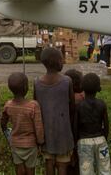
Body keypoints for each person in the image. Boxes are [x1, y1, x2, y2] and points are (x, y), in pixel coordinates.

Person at [34, 47, 75, 175]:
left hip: (46, 132)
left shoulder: (36, 83)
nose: (63, 61)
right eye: (62, 59)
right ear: (57, 62)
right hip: (63, 131)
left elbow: (36, 106)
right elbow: (72, 106)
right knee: (62, 165)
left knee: (49, 163)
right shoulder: (67, 81)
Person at [1, 72, 44, 175]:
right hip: (31, 144)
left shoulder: (8, 105)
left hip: (15, 143)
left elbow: (3, 122)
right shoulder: (33, 106)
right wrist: (40, 141)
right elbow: (38, 127)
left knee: (19, 169)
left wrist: (6, 132)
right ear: (26, 88)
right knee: (30, 170)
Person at [75, 73, 111, 175]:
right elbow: (106, 125)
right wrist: (105, 139)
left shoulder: (79, 106)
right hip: (101, 140)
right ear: (98, 88)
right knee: (105, 169)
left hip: (84, 142)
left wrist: (75, 142)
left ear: (82, 87)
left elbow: (75, 127)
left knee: (86, 170)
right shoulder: (102, 104)